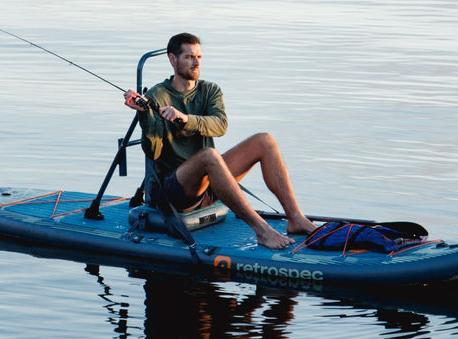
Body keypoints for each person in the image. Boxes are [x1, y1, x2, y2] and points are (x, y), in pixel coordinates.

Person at [125, 33, 316, 250]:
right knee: (209, 156)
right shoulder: (157, 95)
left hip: (207, 184)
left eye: (198, 57)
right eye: (189, 57)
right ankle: (262, 231)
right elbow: (153, 151)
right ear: (172, 59)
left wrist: (184, 118)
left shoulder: (210, 90)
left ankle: (295, 218)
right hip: (173, 192)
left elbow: (220, 126)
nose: (196, 62)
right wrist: (144, 115)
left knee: (265, 140)